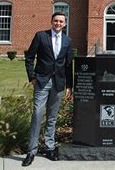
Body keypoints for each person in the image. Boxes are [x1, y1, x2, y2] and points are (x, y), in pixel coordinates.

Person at [22, 12, 73, 167]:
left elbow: (68, 64)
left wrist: (69, 86)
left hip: (58, 83)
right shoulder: (40, 36)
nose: (58, 23)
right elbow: (29, 57)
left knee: (52, 117)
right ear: (51, 22)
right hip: (42, 82)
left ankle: (49, 147)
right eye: (56, 21)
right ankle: (31, 151)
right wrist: (32, 77)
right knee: (37, 115)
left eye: (61, 21)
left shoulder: (67, 40)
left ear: (64, 24)